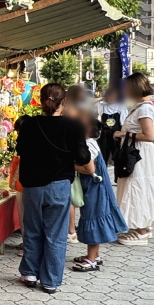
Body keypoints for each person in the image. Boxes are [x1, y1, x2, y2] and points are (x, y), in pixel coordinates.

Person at [16, 83, 94, 293]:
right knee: (56, 234)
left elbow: (20, 149)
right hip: (59, 185)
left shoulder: (29, 124)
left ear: (40, 101)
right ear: (64, 101)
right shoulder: (74, 126)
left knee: (32, 229)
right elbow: (83, 157)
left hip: (32, 186)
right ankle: (50, 281)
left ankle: (30, 272)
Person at [114, 73, 154, 246]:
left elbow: (149, 135)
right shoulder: (141, 105)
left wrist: (124, 134)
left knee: (137, 188)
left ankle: (140, 230)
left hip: (138, 154)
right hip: (137, 152)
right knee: (139, 188)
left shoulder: (144, 108)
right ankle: (142, 227)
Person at [72, 114, 128, 271]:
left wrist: (69, 166)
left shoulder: (87, 145)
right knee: (94, 216)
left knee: (93, 217)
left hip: (94, 188)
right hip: (96, 187)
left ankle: (91, 259)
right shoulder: (91, 143)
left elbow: (89, 169)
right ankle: (94, 255)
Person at [63, 84, 91, 244]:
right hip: (77, 153)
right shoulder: (83, 110)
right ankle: (72, 230)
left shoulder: (71, 111)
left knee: (70, 197)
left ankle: (71, 230)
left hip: (72, 155)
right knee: (72, 196)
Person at [95, 86, 128, 165]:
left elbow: (123, 123)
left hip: (116, 135)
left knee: (117, 158)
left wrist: (122, 138)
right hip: (103, 135)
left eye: (114, 96)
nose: (112, 98)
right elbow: (88, 103)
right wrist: (102, 98)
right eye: (110, 95)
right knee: (103, 157)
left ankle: (118, 176)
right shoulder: (102, 105)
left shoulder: (121, 106)